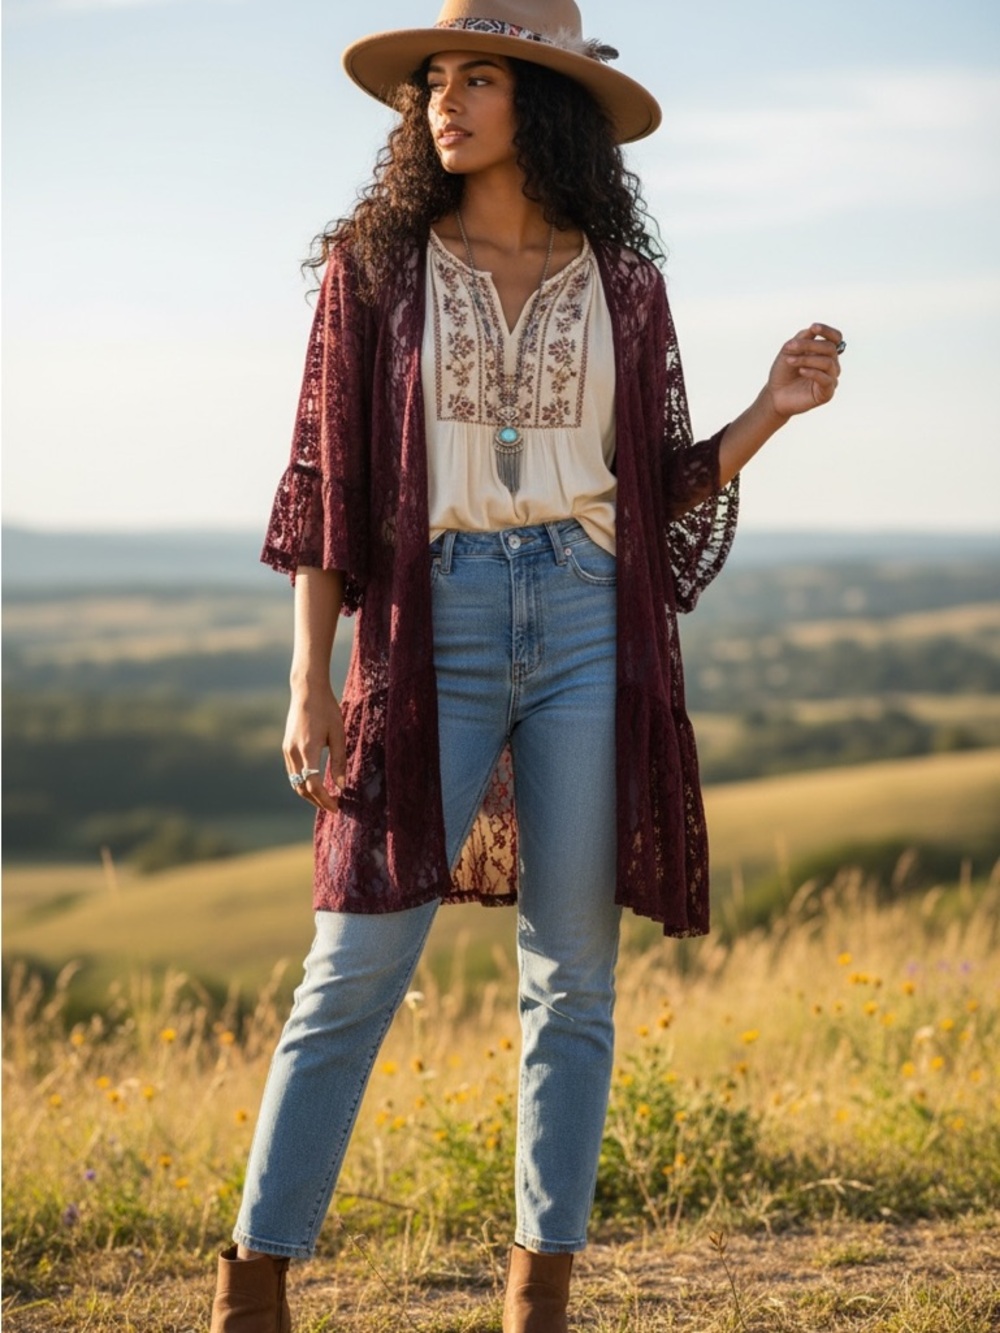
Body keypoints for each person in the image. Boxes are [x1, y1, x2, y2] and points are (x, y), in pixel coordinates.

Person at [209, 2, 843, 1329]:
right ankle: (256, 1277)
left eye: (479, 76)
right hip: (426, 622)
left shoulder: (623, 281)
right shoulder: (373, 271)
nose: (446, 99)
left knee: (573, 977)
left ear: (541, 101)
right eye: (436, 77)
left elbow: (652, 484)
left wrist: (767, 414)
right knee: (354, 961)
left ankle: (538, 1293)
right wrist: (308, 675)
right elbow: (323, 486)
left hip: (580, 624)